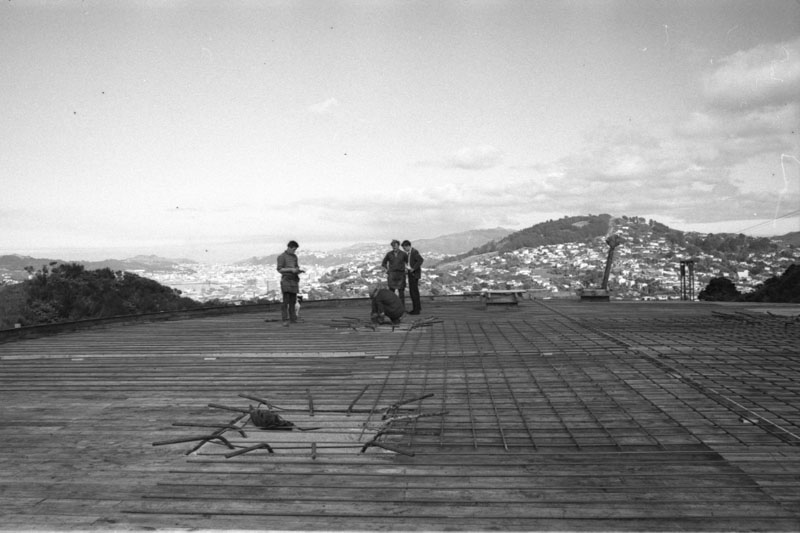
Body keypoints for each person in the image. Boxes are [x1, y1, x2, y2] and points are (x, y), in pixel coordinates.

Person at [276, 240, 305, 326]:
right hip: (286, 279)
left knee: (293, 300)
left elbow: (296, 266)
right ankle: (285, 318)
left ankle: (293, 318)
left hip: (294, 279)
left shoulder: (294, 257)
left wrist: (298, 270)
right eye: (293, 249)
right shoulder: (282, 257)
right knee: (286, 301)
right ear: (289, 247)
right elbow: (280, 269)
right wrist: (291, 270)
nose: (294, 251)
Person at [381, 239, 408, 306]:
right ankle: (391, 307)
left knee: (401, 293)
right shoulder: (389, 254)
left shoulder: (403, 254)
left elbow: (408, 263)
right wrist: (386, 270)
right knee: (391, 292)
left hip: (401, 275)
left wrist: (407, 269)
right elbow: (383, 263)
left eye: (395, 245)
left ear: (398, 245)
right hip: (392, 275)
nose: (394, 247)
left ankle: (402, 308)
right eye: (393, 246)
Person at [402, 240, 424, 314]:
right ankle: (417, 307)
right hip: (411, 273)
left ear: (408, 246)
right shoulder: (409, 253)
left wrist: (413, 268)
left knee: (413, 292)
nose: (404, 249)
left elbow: (420, 260)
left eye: (404, 248)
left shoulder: (414, 252)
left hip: (414, 274)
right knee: (414, 291)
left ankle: (416, 310)